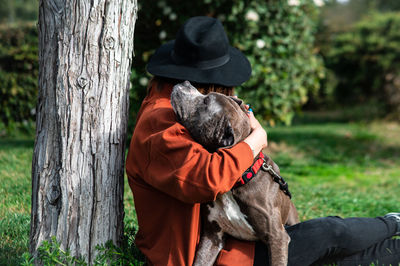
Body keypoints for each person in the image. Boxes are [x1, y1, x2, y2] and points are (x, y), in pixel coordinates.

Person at [125, 16, 400, 266]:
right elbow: (208, 177)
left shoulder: (169, 102)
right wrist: (255, 141)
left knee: (329, 251)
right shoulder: (161, 121)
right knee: (328, 233)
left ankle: (393, 241)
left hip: (234, 240)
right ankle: (392, 222)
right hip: (213, 252)